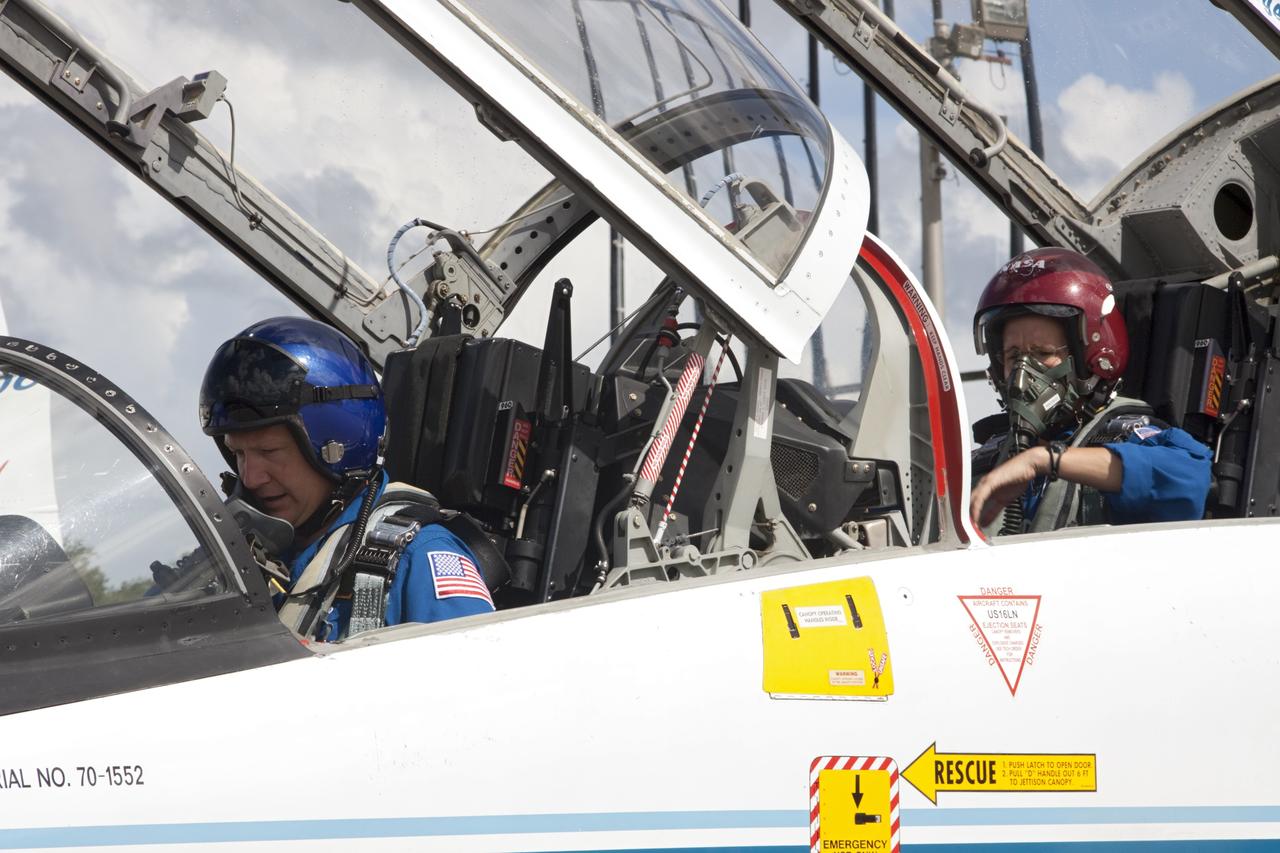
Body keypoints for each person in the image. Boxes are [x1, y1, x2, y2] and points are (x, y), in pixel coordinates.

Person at [199, 316, 493, 639]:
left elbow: (483, 681)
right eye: (238, 454)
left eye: (270, 452)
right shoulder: (234, 559)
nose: (251, 478)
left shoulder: (420, 560)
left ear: (336, 445)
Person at [968, 248, 1212, 535]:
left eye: (1043, 353)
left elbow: (1190, 480)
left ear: (1092, 357)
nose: (1024, 371)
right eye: (1013, 355)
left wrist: (1045, 460)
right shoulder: (985, 462)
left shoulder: (1124, 435)